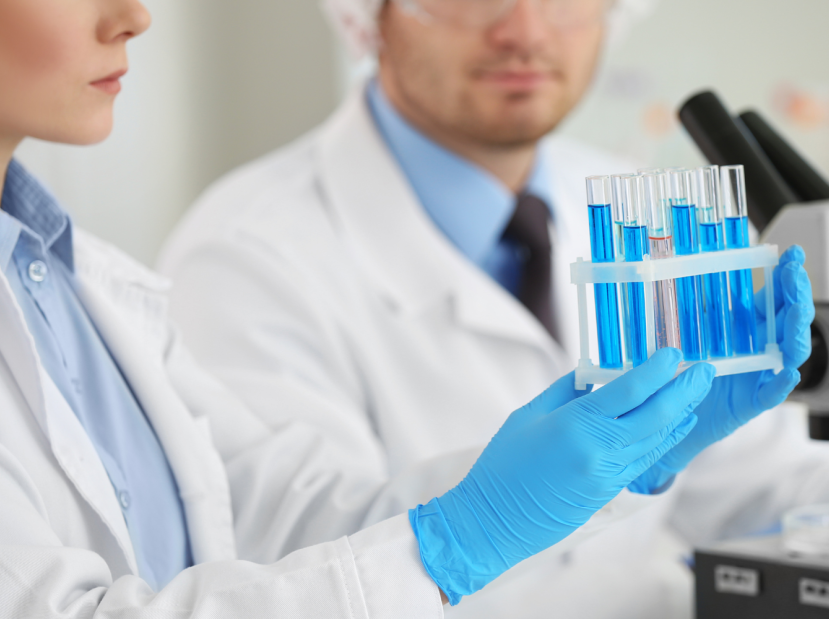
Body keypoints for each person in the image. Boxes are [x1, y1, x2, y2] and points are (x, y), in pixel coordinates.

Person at [158, 0, 829, 616]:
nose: (525, 27)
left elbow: (757, 490)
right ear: (370, 16)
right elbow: (306, 563)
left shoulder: (631, 204)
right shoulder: (247, 254)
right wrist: (481, 516)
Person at [0, 0, 726, 615]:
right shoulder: (246, 247)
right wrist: (462, 536)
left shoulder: (72, 278)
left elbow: (286, 520)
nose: (134, 17)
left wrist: (590, 479)